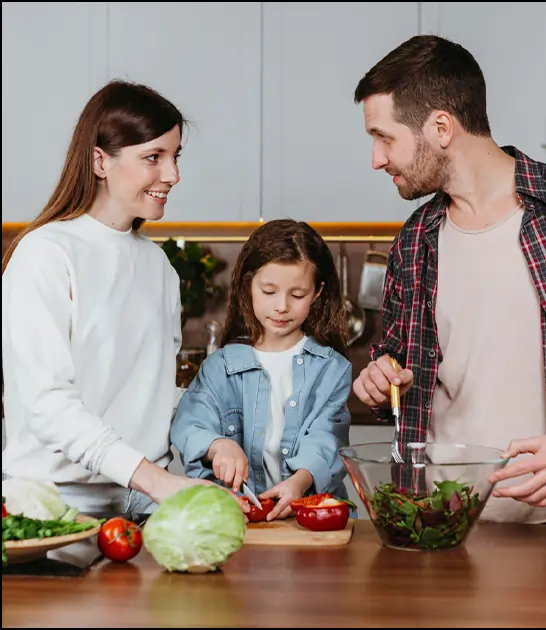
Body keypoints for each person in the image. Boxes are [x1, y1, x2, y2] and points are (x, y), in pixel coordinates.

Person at [346, 35, 546, 628]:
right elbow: (396, 367)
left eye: (384, 137)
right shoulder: (416, 240)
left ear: (440, 127)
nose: (377, 159)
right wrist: (380, 378)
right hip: (437, 538)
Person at [1, 80, 223, 519]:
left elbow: (152, 394)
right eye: (153, 157)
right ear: (100, 161)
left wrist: (214, 437)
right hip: (58, 503)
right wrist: (155, 480)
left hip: (144, 500)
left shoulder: (158, 266)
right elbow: (47, 405)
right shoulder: (45, 254)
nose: (172, 175)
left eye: (175, 156)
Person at [170, 220, 353, 520]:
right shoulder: (219, 367)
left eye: (297, 295)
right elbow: (189, 424)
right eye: (269, 291)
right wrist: (218, 446)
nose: (282, 306)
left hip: (310, 518)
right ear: (248, 286)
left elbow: (327, 439)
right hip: (236, 517)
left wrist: (299, 482)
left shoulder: (331, 369)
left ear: (317, 293)